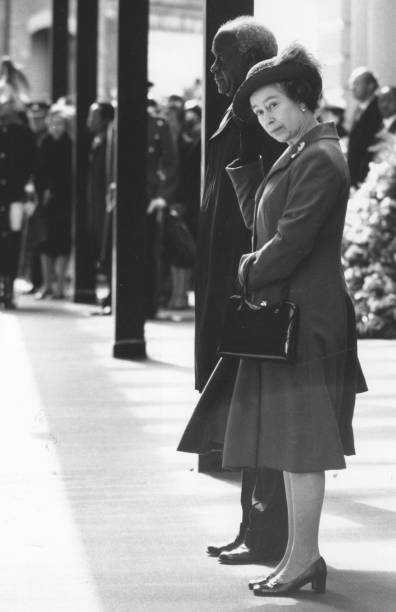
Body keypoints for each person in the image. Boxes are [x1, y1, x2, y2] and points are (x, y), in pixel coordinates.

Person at [218, 43, 368, 597]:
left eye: (274, 105)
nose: (268, 119)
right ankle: (297, 556)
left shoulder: (319, 158)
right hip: (298, 313)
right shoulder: (305, 151)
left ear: (303, 99)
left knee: (302, 447)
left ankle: (303, 558)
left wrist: (246, 267)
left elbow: (291, 241)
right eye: (259, 112)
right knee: (292, 444)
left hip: (307, 317)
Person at [178, 16, 287, 566]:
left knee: (257, 411)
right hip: (232, 283)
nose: (213, 70)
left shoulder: (255, 124)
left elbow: (263, 218)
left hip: (245, 288)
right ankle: (254, 526)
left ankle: (265, 532)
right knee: (247, 412)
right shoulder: (242, 119)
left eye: (221, 59)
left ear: (247, 61)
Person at [0, 83, 36, 308]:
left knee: (12, 241)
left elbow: (31, 164)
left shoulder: (22, 133)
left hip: (14, 194)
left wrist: (27, 193)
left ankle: (9, 288)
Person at [35, 107, 72, 299]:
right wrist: (43, 191)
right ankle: (47, 283)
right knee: (46, 242)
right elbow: (39, 171)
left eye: (60, 124)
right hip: (47, 200)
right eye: (54, 124)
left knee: (63, 243)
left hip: (65, 199)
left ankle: (60, 285)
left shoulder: (70, 145)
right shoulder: (44, 143)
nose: (56, 128)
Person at [347, 67, 382, 187]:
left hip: (369, 176)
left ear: (370, 85)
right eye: (352, 84)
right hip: (356, 175)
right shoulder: (359, 109)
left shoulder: (379, 108)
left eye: (357, 83)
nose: (353, 87)